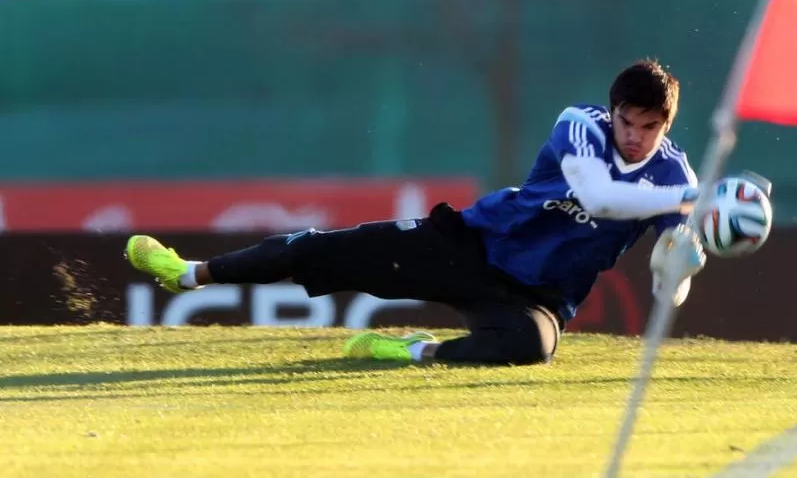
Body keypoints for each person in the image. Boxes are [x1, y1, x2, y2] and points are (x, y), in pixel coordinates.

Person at [125, 58, 706, 366]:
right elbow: (601, 197)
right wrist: (687, 202)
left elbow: (670, 279)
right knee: (324, 249)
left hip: (538, 300)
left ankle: (409, 350)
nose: (634, 135)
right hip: (470, 246)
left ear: (666, 125)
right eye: (627, 121)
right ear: (612, 112)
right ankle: (187, 272)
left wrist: (679, 264)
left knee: (532, 349)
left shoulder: (675, 176)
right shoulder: (580, 126)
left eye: (649, 127)